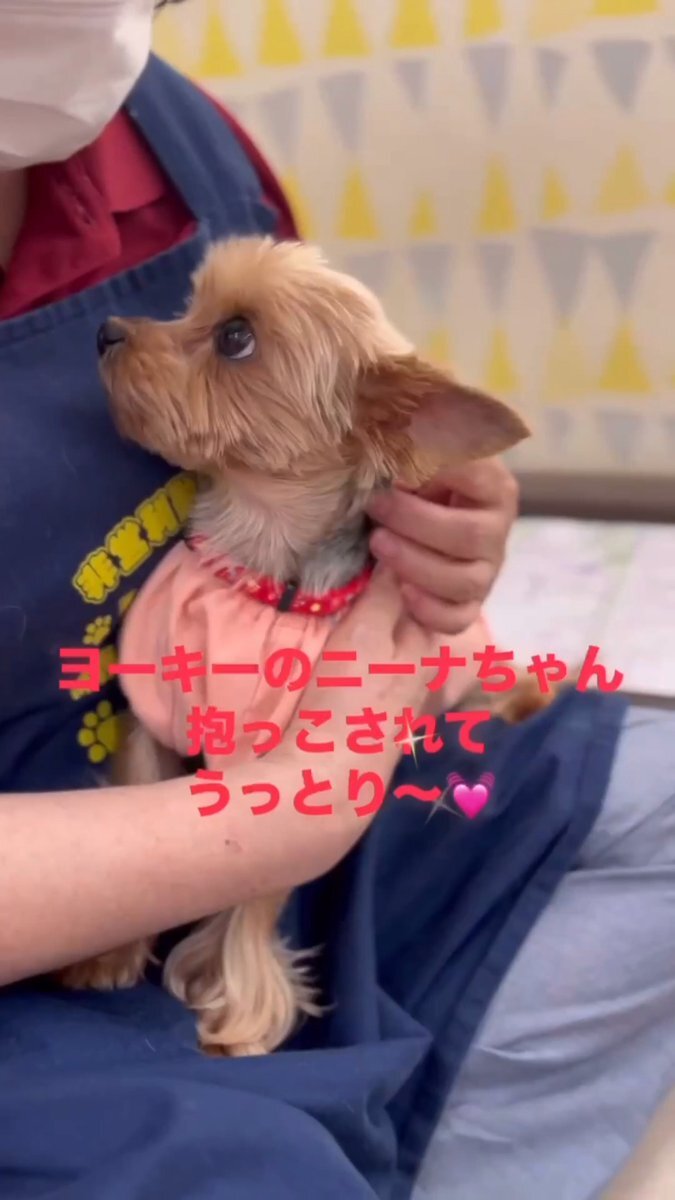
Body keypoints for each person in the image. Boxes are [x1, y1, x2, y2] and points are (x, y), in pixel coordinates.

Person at [0, 2, 673, 1198]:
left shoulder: (169, 130)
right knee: (250, 1171)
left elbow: (323, 418)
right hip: (54, 934)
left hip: (338, 766)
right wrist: (282, 812)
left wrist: (438, 533)